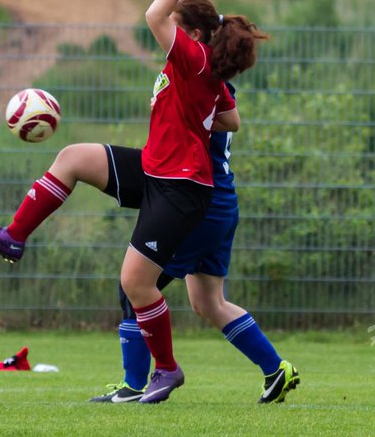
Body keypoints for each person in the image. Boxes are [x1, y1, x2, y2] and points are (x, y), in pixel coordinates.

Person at [0, 0, 268, 403]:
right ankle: (14, 236)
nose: (169, 34)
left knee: (135, 283)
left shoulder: (195, 60)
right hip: (156, 168)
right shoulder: (202, 72)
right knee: (72, 158)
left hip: (181, 185)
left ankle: (165, 371)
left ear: (197, 35)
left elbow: (153, 13)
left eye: (179, 28)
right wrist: (198, 115)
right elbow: (232, 120)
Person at [89, 99, 300, 405]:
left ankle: (133, 385)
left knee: (136, 287)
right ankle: (276, 369)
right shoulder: (213, 79)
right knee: (209, 302)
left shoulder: (200, 79)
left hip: (197, 205)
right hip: (221, 202)